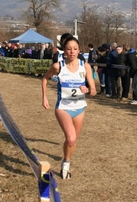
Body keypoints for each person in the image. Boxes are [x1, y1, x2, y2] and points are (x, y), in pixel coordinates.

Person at [41, 36, 96, 179]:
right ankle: (66, 164)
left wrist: (88, 90)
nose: (72, 52)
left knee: (73, 140)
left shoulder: (86, 67)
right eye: (69, 49)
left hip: (79, 109)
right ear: (64, 50)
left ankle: (66, 161)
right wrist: (44, 97)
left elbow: (94, 91)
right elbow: (45, 78)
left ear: (79, 50)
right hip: (63, 108)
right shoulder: (58, 66)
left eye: (75, 49)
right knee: (70, 138)